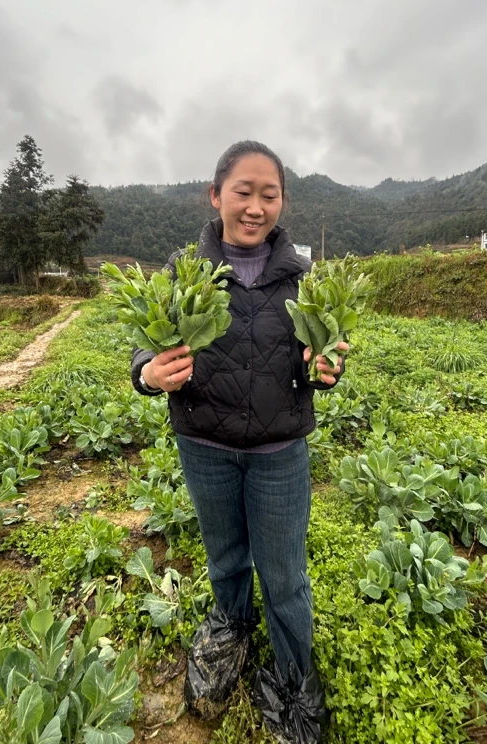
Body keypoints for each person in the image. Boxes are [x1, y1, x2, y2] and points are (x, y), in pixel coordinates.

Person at [131, 141, 348, 744]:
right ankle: (231, 629)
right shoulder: (184, 273)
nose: (255, 207)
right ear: (216, 195)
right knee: (226, 557)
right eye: (243, 192)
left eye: (269, 194)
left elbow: (321, 357)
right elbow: (145, 344)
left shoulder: (304, 280)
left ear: (282, 201)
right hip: (206, 444)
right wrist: (148, 372)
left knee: (284, 575)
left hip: (280, 450)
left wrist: (327, 367)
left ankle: (292, 673)